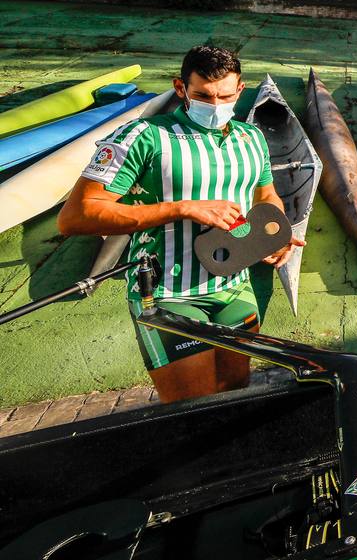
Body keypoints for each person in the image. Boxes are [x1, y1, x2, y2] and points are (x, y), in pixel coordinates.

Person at [58, 46, 301, 404]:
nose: (215, 104)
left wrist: (274, 236)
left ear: (240, 89)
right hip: (168, 295)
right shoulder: (142, 136)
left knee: (234, 396)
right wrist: (181, 208)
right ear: (180, 87)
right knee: (193, 410)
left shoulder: (252, 138)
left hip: (236, 290)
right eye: (203, 95)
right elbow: (76, 216)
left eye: (225, 95)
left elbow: (265, 197)